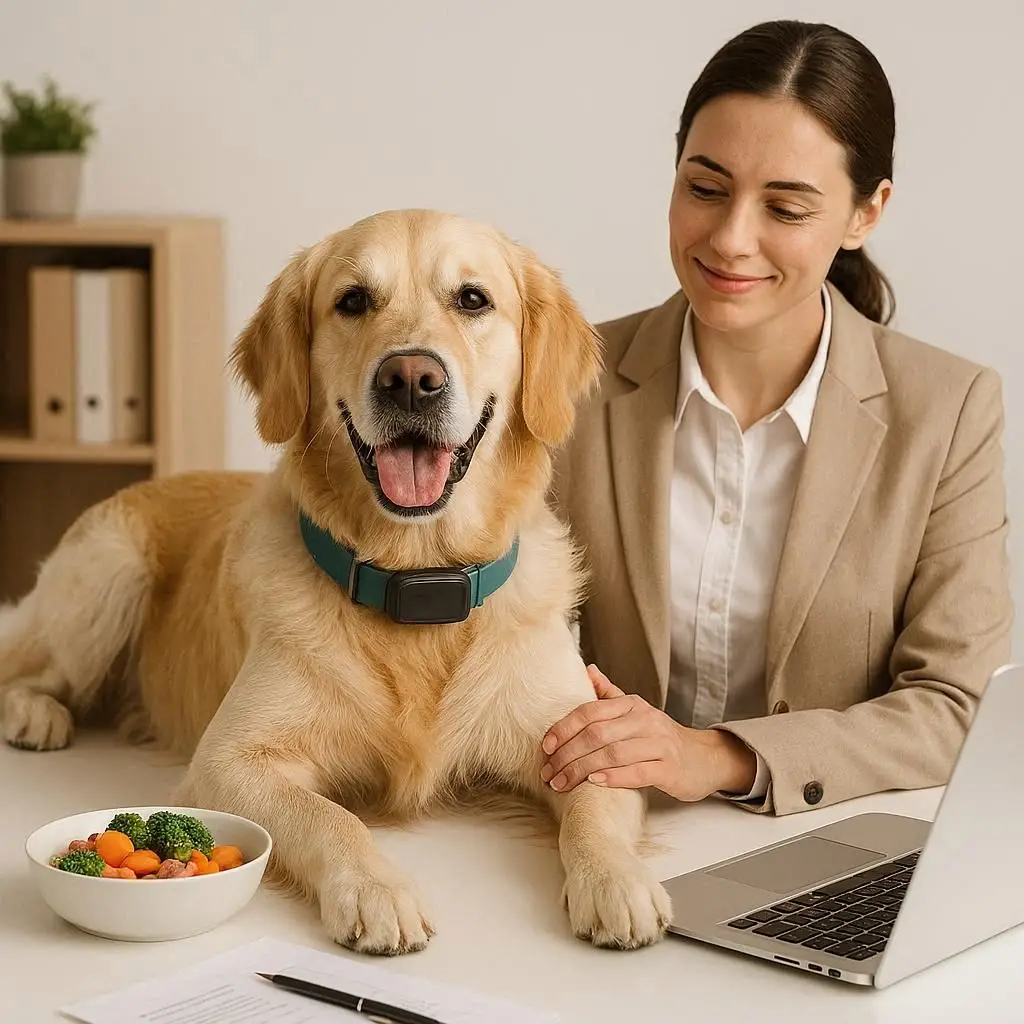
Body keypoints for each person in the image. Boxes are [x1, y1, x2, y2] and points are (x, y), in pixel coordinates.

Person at [541, 19, 1013, 816]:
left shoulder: (951, 410)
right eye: (705, 188)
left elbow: (955, 706)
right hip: (595, 832)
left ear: (866, 214)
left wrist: (719, 757)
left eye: (786, 208)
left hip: (828, 849)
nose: (730, 240)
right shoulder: (562, 382)